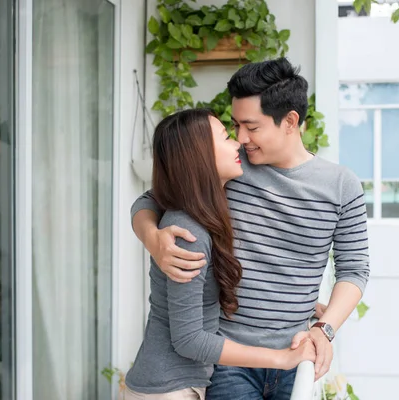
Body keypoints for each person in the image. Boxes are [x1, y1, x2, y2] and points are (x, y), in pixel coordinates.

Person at [131, 58, 370, 400]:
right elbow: (152, 198)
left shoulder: (341, 185)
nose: (241, 137)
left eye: (252, 127)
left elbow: (355, 268)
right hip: (226, 357)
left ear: (289, 121)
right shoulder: (230, 166)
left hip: (296, 349)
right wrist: (152, 238)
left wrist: (325, 328)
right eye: (236, 126)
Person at [124, 108, 316, 400]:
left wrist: (305, 304)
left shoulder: (204, 213)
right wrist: (281, 359)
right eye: (226, 137)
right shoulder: (187, 233)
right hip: (168, 389)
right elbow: (189, 339)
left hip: (179, 385)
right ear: (199, 155)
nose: (238, 142)